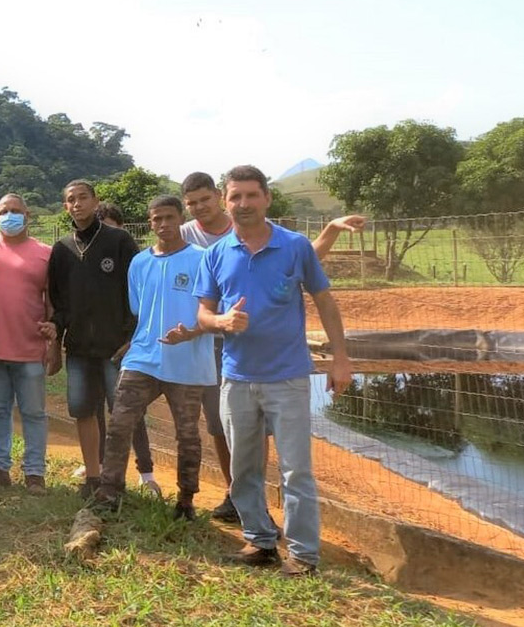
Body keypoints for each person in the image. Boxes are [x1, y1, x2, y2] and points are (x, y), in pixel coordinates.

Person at [194, 165, 352, 577]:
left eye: (251, 195)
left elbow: (325, 301)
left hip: (288, 378)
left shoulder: (295, 246)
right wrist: (222, 322)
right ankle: (261, 541)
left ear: (266, 198)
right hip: (237, 378)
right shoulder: (215, 254)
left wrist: (339, 359)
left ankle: (303, 555)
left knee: (295, 470)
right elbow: (203, 313)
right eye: (235, 197)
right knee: (244, 468)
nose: (243, 204)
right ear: (226, 202)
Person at [94, 196, 216, 519]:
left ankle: (186, 499)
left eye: (169, 217)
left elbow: (212, 311)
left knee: (187, 433)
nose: (163, 224)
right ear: (149, 222)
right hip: (144, 356)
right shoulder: (139, 263)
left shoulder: (202, 259)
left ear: (181, 219)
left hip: (187, 362)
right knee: (119, 423)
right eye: (156, 219)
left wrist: (188, 332)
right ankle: (109, 491)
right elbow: (137, 309)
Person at [47, 180, 138, 499]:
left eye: (83, 197)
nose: (77, 204)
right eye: (70, 200)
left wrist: (132, 337)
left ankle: (116, 479)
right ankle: (94, 477)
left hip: (117, 347)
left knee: (120, 415)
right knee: (83, 411)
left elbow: (136, 293)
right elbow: (59, 304)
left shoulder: (119, 241)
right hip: (79, 349)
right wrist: (55, 336)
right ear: (65, 207)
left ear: (95, 201)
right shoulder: (61, 249)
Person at [0, 193, 53, 495]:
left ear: (27, 215)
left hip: (31, 348)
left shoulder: (46, 253)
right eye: (4, 211)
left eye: (16, 210)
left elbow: (52, 300)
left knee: (34, 412)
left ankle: (35, 474)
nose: (10, 215)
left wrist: (54, 336)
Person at [93, 201, 162, 496]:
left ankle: (145, 473)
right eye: (103, 230)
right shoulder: (89, 259)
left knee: (128, 411)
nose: (109, 236)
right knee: (96, 408)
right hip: (94, 346)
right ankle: (97, 466)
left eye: (113, 228)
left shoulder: (136, 261)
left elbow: (145, 306)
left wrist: (132, 339)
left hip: (128, 346)